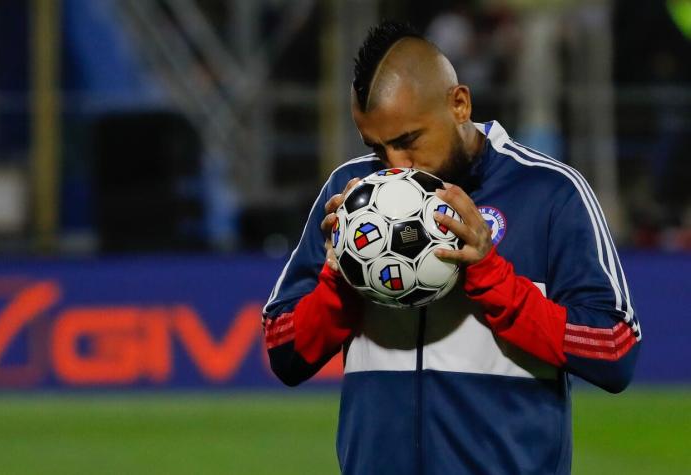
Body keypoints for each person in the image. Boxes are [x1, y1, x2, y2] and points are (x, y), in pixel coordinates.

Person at [262, 21, 641, 475]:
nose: (396, 166)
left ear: (459, 104)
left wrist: (493, 278)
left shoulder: (550, 192)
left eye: (408, 141)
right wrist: (340, 280)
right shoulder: (351, 196)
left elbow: (614, 352)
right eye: (378, 148)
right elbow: (284, 352)